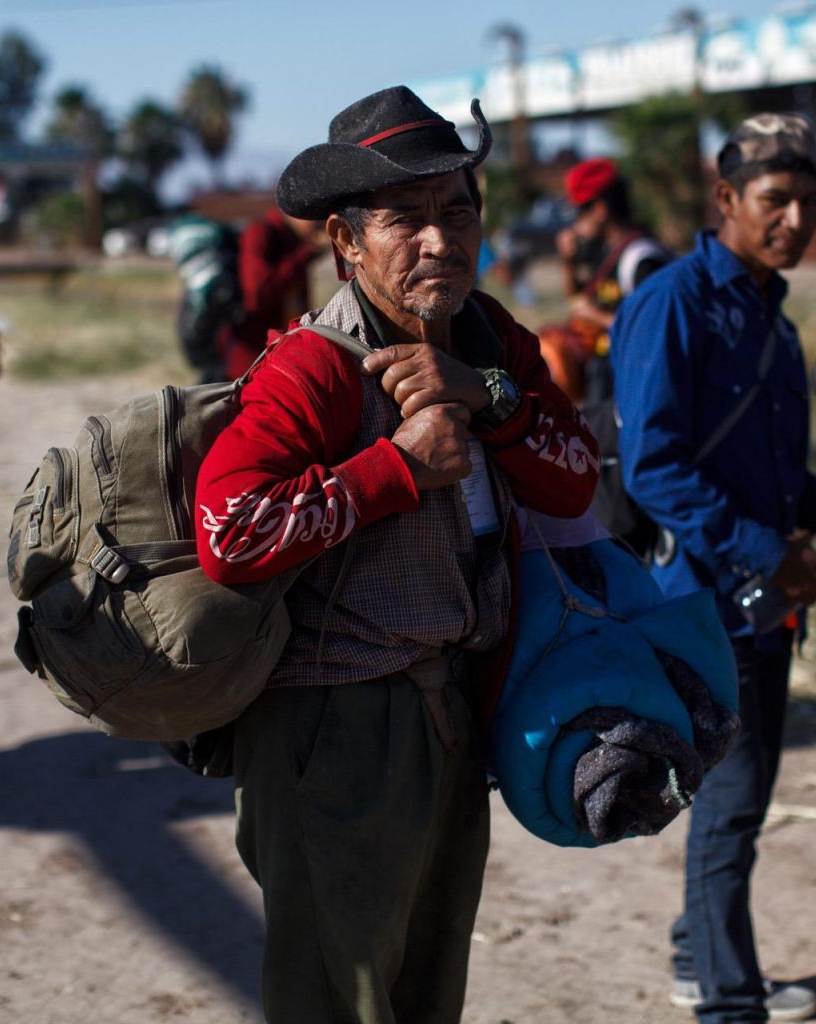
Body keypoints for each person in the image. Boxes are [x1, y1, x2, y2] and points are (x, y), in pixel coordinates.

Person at [193, 85, 599, 1024]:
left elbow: (574, 479)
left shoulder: (492, 340)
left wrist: (486, 396)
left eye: (456, 213)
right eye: (405, 221)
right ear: (345, 242)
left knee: (426, 991)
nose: (438, 241)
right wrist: (396, 470)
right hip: (338, 726)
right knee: (338, 1000)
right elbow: (228, 533)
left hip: (452, 711)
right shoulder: (315, 367)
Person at [610, 114, 816, 1023]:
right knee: (732, 808)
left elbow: (771, 478)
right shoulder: (674, 303)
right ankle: (728, 1007)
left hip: (764, 602)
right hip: (703, 605)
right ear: (727, 200)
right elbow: (651, 468)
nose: (796, 219)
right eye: (776, 199)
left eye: (811, 203)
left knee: (735, 806)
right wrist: (769, 550)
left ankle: (701, 962)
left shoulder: (774, 323)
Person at [539, 157, 672, 403]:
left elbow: (655, 330)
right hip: (606, 379)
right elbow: (577, 302)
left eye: (580, 212)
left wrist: (596, 317)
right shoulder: (604, 252)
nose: (575, 224)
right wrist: (568, 262)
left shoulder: (643, 259)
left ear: (600, 210)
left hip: (636, 385)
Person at [222, 206, 326, 379]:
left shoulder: (294, 242)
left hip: (281, 353)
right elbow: (257, 296)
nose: (320, 227)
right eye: (316, 220)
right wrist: (307, 253)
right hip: (251, 357)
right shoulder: (261, 234)